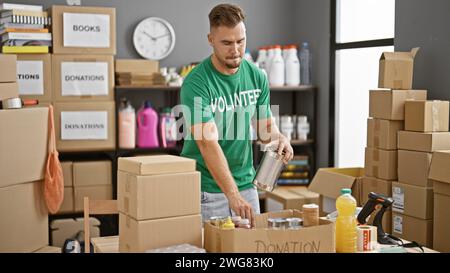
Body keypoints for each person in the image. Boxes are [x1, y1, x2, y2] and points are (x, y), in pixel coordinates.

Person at [180, 3, 293, 227]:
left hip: (246, 186)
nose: (235, 50)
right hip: (207, 191)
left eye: (241, 41)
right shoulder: (196, 83)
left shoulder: (257, 77)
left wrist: (280, 139)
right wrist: (232, 195)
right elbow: (206, 143)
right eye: (227, 43)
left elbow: (264, 130)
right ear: (210, 39)